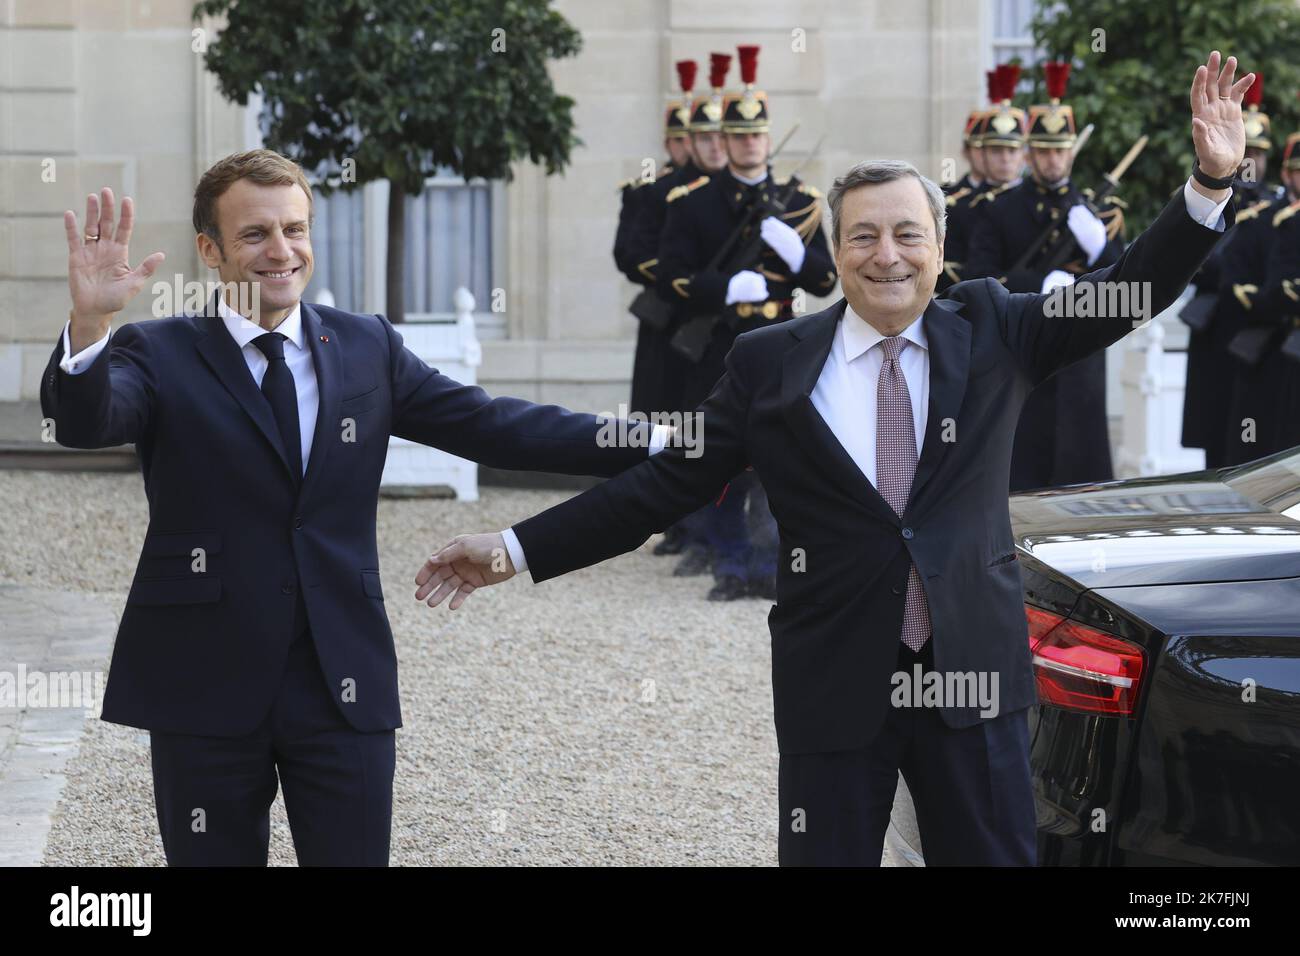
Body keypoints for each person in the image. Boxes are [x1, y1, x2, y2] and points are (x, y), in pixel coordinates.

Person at [414, 52, 1246, 866]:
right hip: (835, 687)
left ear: (940, 243)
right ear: (837, 250)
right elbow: (658, 490)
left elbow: (1126, 290)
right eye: (865, 236)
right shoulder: (770, 362)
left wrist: (1208, 187)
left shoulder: (997, 327)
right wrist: (513, 549)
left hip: (975, 683)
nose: (888, 255)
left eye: (908, 234)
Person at [41, 149, 667, 866]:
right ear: (209, 251)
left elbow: (497, 426)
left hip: (342, 679)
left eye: (296, 229)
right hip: (203, 682)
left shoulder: (365, 345)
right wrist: (89, 327)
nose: (282, 251)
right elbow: (87, 424)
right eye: (255, 235)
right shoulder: (159, 350)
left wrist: (653, 437)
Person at [656, 43, 838, 600]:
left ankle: (770, 565)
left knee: (779, 459)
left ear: (766, 137)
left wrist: (794, 255)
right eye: (739, 136)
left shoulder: (799, 202)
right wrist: (723, 288)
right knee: (722, 459)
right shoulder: (692, 201)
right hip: (720, 345)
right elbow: (670, 279)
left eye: (758, 135)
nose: (750, 144)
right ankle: (730, 565)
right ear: (726, 142)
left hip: (781, 343)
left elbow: (826, 282)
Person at [964, 60, 1126, 492]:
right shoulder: (1000, 210)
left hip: (1080, 355)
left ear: (1071, 152)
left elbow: (1128, 293)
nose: (1052, 159)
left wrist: (1101, 249)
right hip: (1025, 353)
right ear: (1029, 152)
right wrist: (1038, 285)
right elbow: (978, 282)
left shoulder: (1100, 215)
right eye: (1043, 150)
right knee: (1021, 478)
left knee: (1082, 476)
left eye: (1060, 150)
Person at [623, 54, 732, 559]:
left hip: (719, 325)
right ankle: (678, 522)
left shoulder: (732, 195)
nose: (706, 145)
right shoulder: (660, 192)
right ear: (674, 142)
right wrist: (682, 277)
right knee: (668, 418)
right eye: (695, 137)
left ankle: (711, 532)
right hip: (672, 323)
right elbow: (633, 255)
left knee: (710, 423)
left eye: (713, 137)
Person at [1182, 72, 1286, 467]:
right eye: (1249, 152)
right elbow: (1194, 263)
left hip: (1258, 332)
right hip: (1218, 329)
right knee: (1217, 442)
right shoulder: (1211, 193)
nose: (1251, 161)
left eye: (1258, 154)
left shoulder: (1277, 210)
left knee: (1259, 445)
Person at [938, 64, 1026, 293]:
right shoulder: (960, 205)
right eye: (996, 150)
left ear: (1024, 154)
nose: (1005, 159)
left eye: (1012, 151)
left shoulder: (1035, 201)